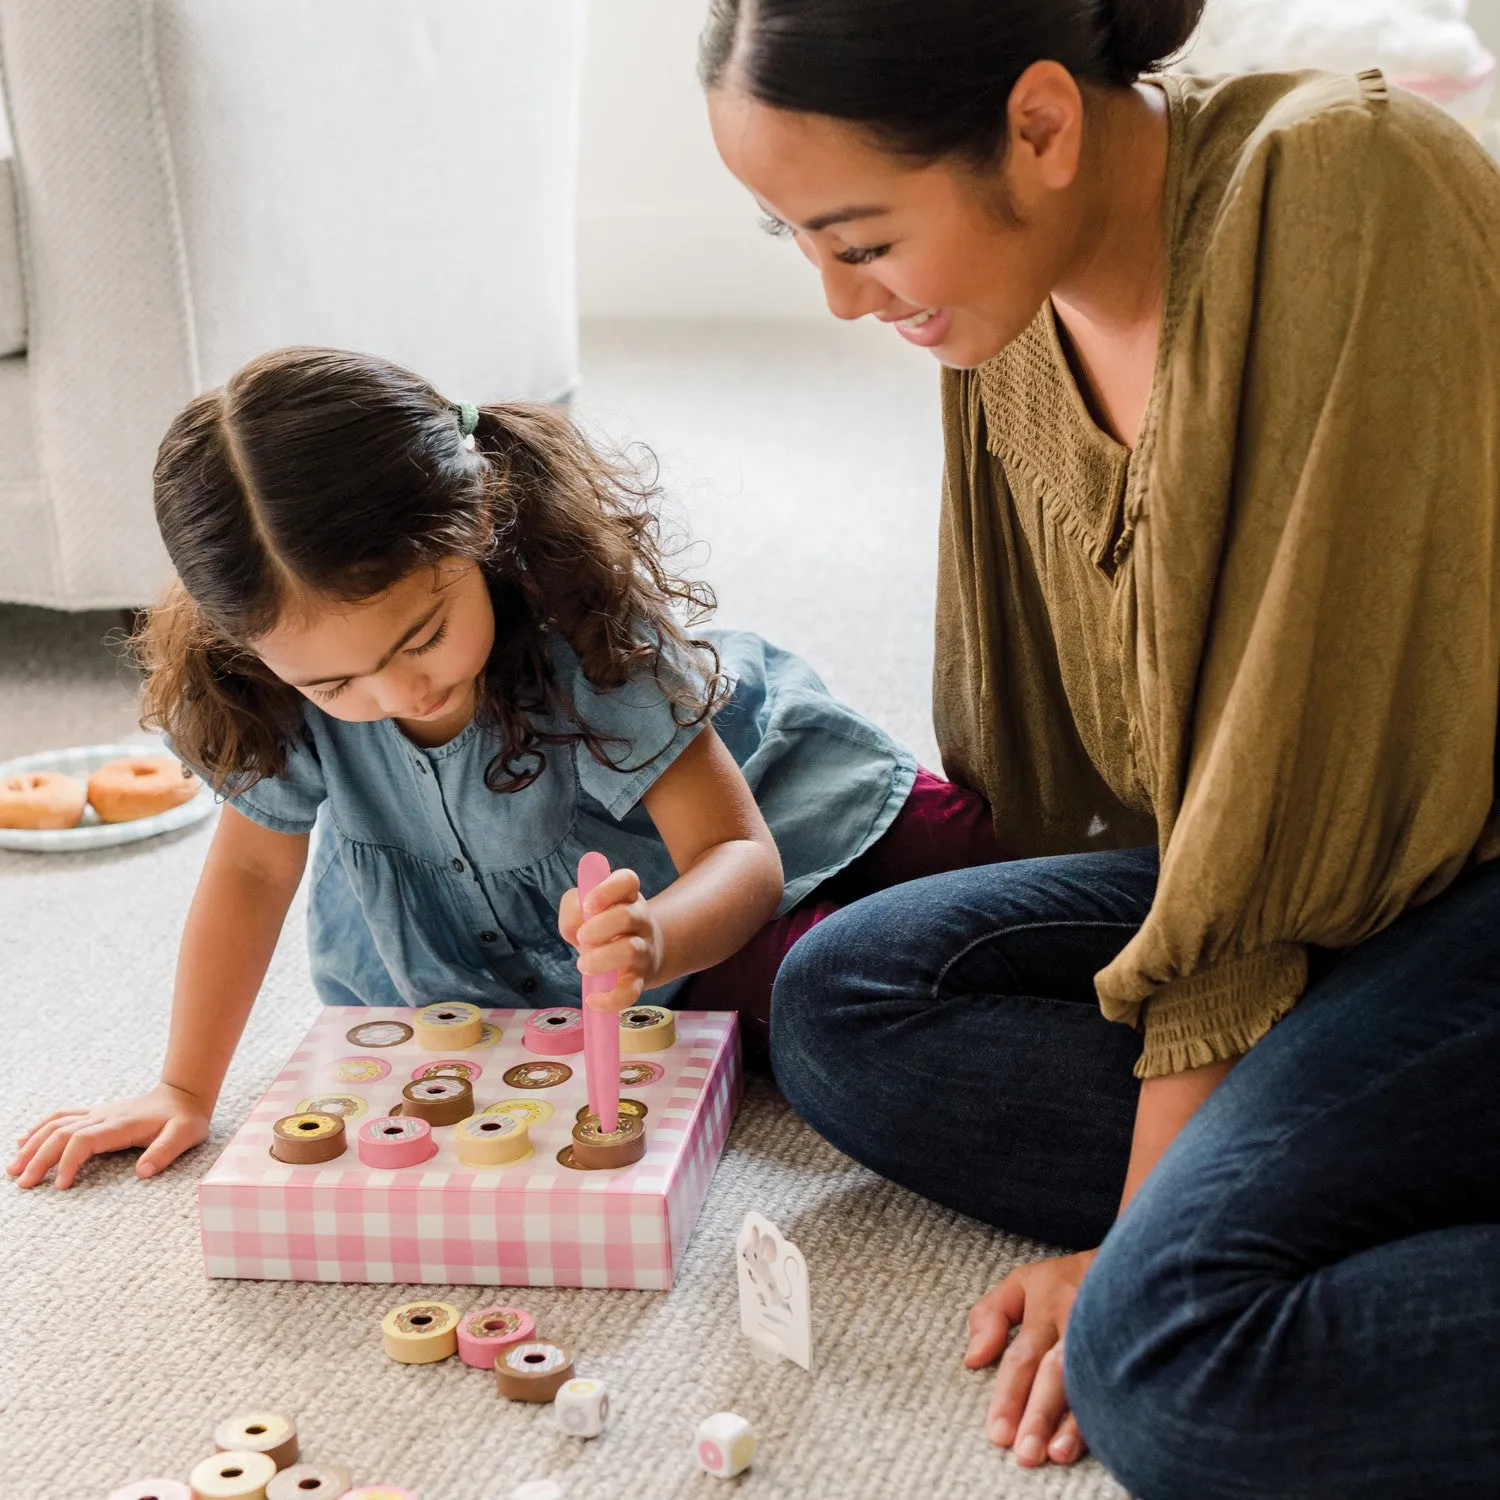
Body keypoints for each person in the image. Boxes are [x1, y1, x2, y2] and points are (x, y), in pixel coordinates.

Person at [703, 1, 1500, 1495]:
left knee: (1169, 1359)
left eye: (863, 239)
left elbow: (1283, 796)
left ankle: (1264, 1211)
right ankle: (1340, 1168)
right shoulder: (1018, 301)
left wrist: (1139, 1230)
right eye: (790, 239)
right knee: (846, 999)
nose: (838, 300)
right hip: (1340, 890)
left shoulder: (1341, 185)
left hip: (1455, 860)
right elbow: (1138, 795)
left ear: (1042, 126)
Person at [8, 346, 1000, 1193]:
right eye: (335, 682)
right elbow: (251, 873)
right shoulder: (265, 692)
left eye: (421, 637)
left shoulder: (587, 629)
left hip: (750, 812)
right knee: (848, 1000)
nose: (395, 693)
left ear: (476, 525)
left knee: (983, 864)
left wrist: (657, 932)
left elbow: (741, 852)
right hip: (620, 962)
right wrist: (184, 1087)